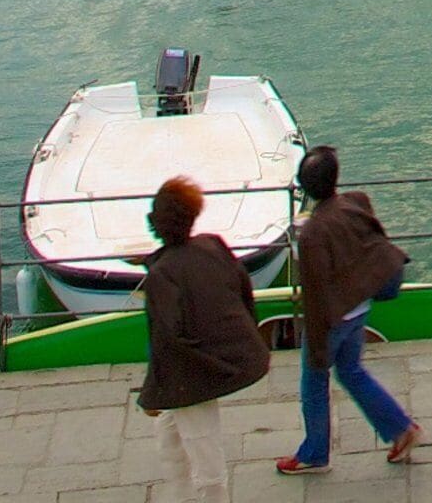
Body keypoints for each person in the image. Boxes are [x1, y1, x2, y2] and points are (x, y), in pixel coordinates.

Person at [278, 147, 417, 476]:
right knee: (351, 371)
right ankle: (401, 429)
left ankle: (314, 453)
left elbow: (316, 295)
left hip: (333, 318)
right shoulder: (356, 202)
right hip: (360, 307)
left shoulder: (312, 234)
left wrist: (315, 345)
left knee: (314, 383)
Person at [140, 175, 271, 503]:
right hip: (223, 356)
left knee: (205, 458)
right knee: (170, 437)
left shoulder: (162, 274)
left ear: (156, 223)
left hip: (191, 373)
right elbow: (244, 296)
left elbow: (166, 341)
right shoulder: (213, 246)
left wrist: (152, 394)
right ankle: (182, 497)